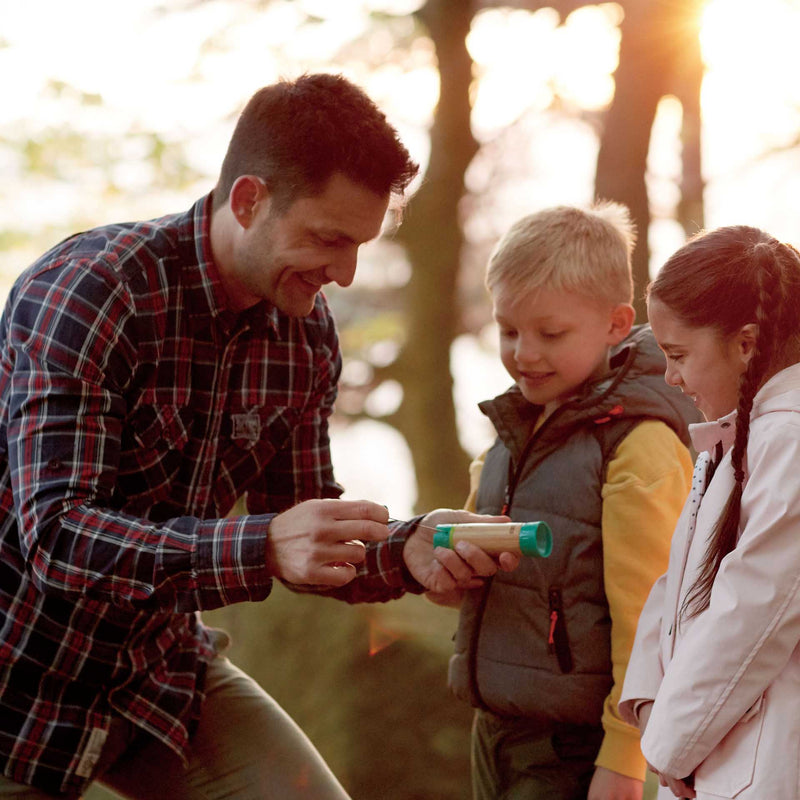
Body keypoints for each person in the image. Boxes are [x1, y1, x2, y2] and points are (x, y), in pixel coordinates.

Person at [0, 73, 514, 799]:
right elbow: (55, 535)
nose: (343, 271)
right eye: (328, 238)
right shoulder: (92, 291)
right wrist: (261, 543)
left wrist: (412, 549)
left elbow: (309, 527)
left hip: (158, 675)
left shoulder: (304, 339)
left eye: (360, 245)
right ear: (248, 200)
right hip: (18, 670)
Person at [430, 203, 700, 800]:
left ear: (614, 323)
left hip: (577, 748)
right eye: (508, 330)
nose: (524, 353)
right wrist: (448, 577)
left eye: (550, 334)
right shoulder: (513, 429)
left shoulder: (637, 445)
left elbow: (651, 619)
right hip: (497, 729)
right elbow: (480, 566)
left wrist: (626, 759)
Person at [619, 226, 800, 799]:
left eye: (677, 355)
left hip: (762, 770)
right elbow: (678, 583)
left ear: (745, 344)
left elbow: (755, 609)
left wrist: (671, 743)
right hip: (713, 759)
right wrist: (650, 704)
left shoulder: (789, 442)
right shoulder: (739, 437)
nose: (671, 378)